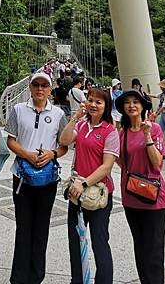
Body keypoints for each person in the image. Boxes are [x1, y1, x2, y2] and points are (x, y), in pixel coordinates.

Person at [6, 71, 68, 284]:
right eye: (36, 85)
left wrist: (51, 154)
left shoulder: (58, 114)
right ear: (30, 87)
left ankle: (36, 276)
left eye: (44, 85)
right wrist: (28, 155)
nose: (40, 89)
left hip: (47, 179)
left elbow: (64, 145)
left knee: (41, 227)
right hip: (22, 176)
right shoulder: (18, 110)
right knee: (23, 227)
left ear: (50, 89)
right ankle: (18, 277)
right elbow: (11, 140)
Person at [60, 86, 119, 284]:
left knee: (100, 243)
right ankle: (77, 280)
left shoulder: (110, 131)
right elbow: (65, 140)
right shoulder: (83, 124)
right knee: (75, 241)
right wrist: (75, 118)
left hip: (98, 195)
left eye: (98, 102)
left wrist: (83, 183)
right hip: (77, 193)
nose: (93, 105)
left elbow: (107, 166)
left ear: (106, 106)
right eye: (90, 100)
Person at [115, 89, 165, 284]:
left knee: (154, 251)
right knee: (140, 248)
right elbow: (120, 161)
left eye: (136, 102)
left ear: (143, 106)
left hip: (155, 199)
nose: (131, 105)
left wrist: (147, 137)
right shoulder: (122, 133)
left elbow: (157, 163)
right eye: (127, 102)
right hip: (131, 197)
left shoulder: (154, 129)